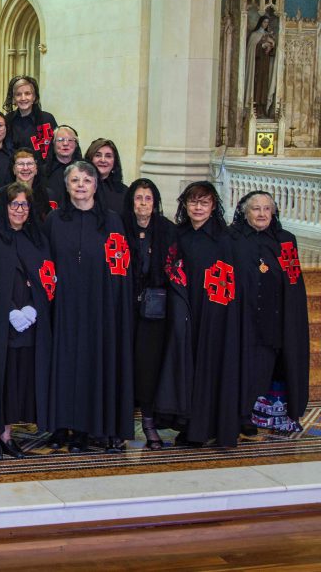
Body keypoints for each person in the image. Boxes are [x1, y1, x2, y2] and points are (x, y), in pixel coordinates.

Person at [45, 160, 134, 453]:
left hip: (99, 305)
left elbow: (121, 267)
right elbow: (46, 264)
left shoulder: (111, 221)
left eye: (86, 180)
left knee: (91, 365)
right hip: (64, 305)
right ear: (67, 185)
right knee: (63, 364)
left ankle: (85, 427)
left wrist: (115, 305)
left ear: (96, 185)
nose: (81, 185)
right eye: (75, 180)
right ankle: (60, 425)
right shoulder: (54, 220)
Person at [156, 182, 242, 448]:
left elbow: (230, 280)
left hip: (214, 313)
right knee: (185, 367)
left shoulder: (225, 238)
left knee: (209, 369)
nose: (198, 207)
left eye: (204, 202)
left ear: (213, 206)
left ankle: (208, 426)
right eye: (193, 202)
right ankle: (187, 424)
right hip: (184, 311)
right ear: (185, 205)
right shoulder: (178, 234)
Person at [0, 184, 55, 460]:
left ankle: (7, 434)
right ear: (4, 207)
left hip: (29, 322)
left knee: (16, 379)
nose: (20, 210)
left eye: (24, 205)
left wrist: (34, 309)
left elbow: (47, 275)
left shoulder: (37, 239)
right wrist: (9, 310)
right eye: (14, 205)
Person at [230, 191, 309, 434]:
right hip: (243, 316)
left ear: (273, 212)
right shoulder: (233, 239)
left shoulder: (286, 240)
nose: (262, 213)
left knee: (266, 368)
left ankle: (264, 415)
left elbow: (294, 281)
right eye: (256, 209)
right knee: (242, 369)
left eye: (266, 209)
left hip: (274, 317)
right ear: (245, 213)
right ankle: (241, 415)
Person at [121, 179, 175, 450]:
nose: (143, 204)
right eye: (138, 198)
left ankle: (150, 424)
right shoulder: (119, 227)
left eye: (148, 199)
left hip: (155, 312)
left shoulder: (167, 231)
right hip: (124, 309)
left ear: (155, 203)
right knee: (123, 365)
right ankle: (119, 425)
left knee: (149, 369)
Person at [3, 75, 57, 162]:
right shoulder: (7, 120)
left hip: (44, 172)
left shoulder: (47, 119)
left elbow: (55, 148)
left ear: (34, 97)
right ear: (13, 99)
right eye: (18, 94)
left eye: (27, 93)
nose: (23, 98)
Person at [243, 15, 277, 117]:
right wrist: (261, 45)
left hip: (266, 65)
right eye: (264, 22)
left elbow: (273, 53)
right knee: (257, 85)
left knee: (264, 85)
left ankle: (263, 108)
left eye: (267, 22)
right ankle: (255, 108)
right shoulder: (255, 34)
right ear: (260, 22)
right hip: (256, 65)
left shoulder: (269, 35)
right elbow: (250, 49)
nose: (265, 24)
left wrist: (271, 47)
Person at [86, 138, 128, 215]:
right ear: (90, 158)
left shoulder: (124, 192)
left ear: (114, 161)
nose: (103, 160)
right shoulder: (80, 187)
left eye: (108, 156)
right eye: (98, 155)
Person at [8, 148, 52, 222]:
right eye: (21, 164)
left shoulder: (46, 195)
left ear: (36, 170)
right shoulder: (2, 194)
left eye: (30, 164)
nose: (25, 168)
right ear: (14, 170)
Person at [44, 125, 81, 206]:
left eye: (70, 140)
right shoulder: (43, 172)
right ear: (53, 144)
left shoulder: (84, 170)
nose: (65, 143)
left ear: (76, 144)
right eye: (60, 140)